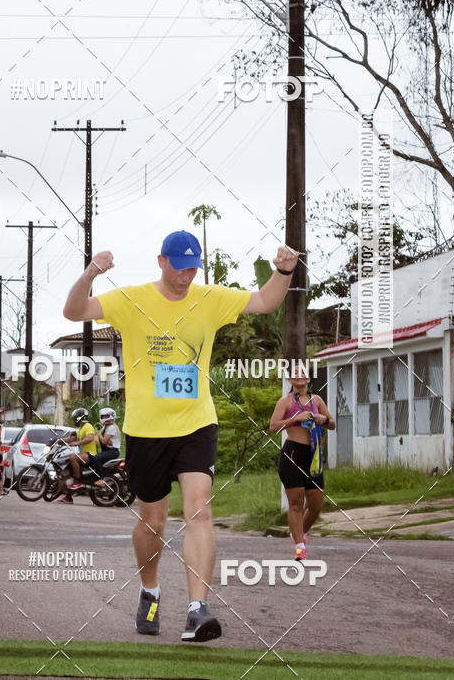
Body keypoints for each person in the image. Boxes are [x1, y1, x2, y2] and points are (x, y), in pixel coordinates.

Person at [63, 229, 298, 642]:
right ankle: (149, 590)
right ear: (161, 262)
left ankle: (196, 610)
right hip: (146, 430)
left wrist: (283, 271)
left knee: (198, 511)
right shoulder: (132, 299)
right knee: (152, 522)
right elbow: (73, 311)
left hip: (195, 424)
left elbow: (264, 301)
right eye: (179, 267)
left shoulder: (210, 299)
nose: (185, 277)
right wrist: (90, 275)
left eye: (193, 268)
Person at [269, 365, 336, 561]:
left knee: (316, 505)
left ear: (308, 379)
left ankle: (298, 532)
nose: (300, 376)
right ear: (290, 380)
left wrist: (324, 419)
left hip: (313, 454)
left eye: (303, 373)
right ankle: (299, 547)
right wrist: (295, 419)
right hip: (292, 454)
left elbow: (332, 424)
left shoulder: (317, 400)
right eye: (295, 374)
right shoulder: (285, 402)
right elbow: (273, 426)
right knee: (296, 504)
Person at [66, 408, 104, 490]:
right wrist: (58, 440)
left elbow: (90, 438)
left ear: (80, 417)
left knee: (73, 457)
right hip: (84, 454)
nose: (74, 419)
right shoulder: (80, 429)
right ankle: (68, 496)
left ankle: (78, 481)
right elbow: (71, 439)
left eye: (75, 417)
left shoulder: (88, 426)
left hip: (90, 454)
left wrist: (77, 443)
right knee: (68, 463)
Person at [95, 407, 121, 472]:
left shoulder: (112, 427)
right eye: (102, 416)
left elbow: (103, 441)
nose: (102, 418)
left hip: (113, 451)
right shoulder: (106, 426)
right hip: (107, 450)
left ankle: (100, 477)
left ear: (110, 416)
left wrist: (99, 435)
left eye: (104, 416)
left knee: (96, 459)